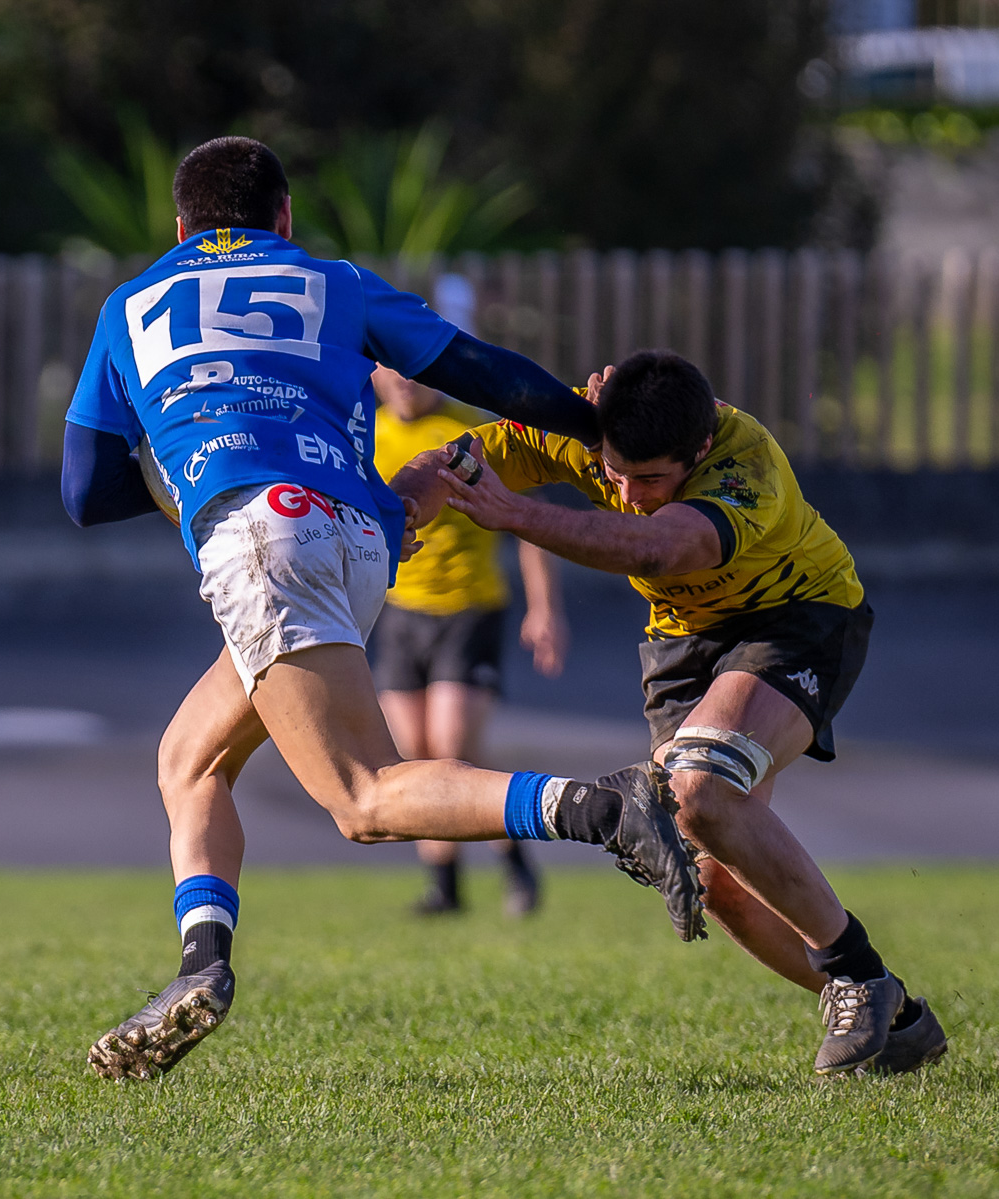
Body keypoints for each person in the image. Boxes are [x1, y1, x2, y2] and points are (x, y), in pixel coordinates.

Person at [61, 137, 702, 1082]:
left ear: (181, 226)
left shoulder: (132, 304)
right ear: (283, 218)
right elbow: (477, 369)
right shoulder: (334, 281)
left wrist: (188, 466)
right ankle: (199, 970)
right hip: (365, 539)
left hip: (267, 538)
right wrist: (588, 418)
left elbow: (84, 491)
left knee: (363, 798)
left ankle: (602, 806)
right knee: (187, 759)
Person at [392, 350, 949, 1076]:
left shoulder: (747, 464)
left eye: (650, 479)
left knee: (701, 788)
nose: (624, 492)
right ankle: (895, 1015)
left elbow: (666, 545)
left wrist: (515, 514)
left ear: (702, 449)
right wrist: (391, 515)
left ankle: (860, 974)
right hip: (683, 641)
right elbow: (449, 462)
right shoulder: (588, 427)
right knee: (711, 869)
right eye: (614, 471)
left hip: (794, 618)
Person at [371, 365, 568, 917]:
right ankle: (447, 885)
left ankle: (516, 869)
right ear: (378, 380)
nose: (407, 384)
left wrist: (545, 607)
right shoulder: (366, 432)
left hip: (470, 607)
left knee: (451, 744)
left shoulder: (470, 435)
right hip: (400, 613)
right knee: (415, 755)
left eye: (416, 373)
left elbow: (526, 521)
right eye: (394, 374)